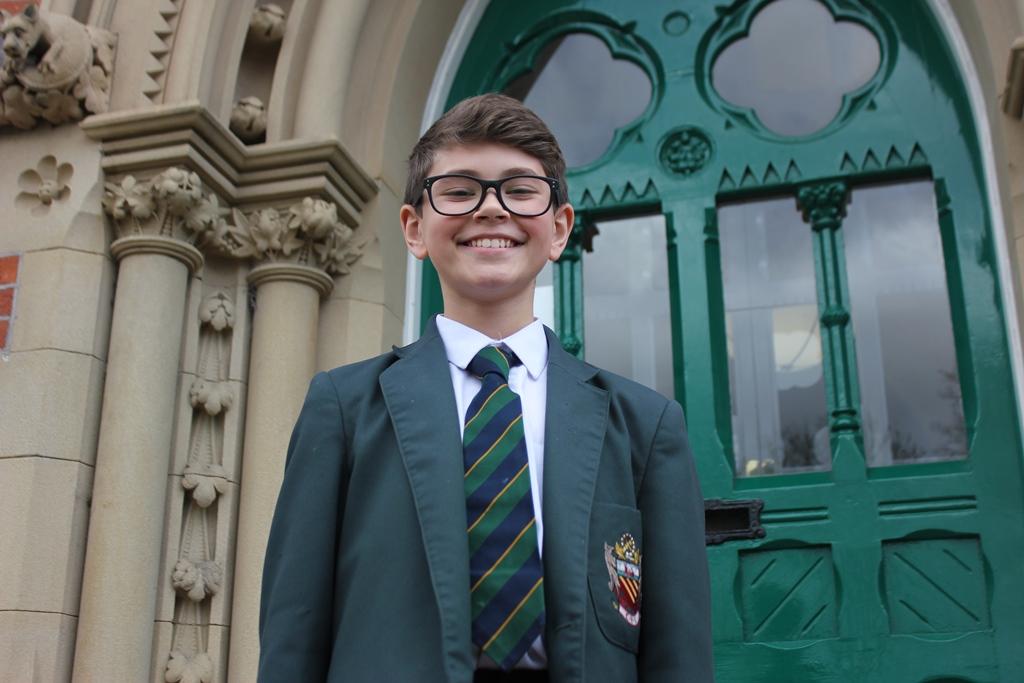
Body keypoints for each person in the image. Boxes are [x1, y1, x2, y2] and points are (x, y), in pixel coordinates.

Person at [257, 93, 713, 683]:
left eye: (520, 190)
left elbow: (679, 652)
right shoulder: (344, 409)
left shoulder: (645, 425)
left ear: (559, 229)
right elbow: (294, 628)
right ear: (415, 228)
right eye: (459, 189)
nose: (492, 209)